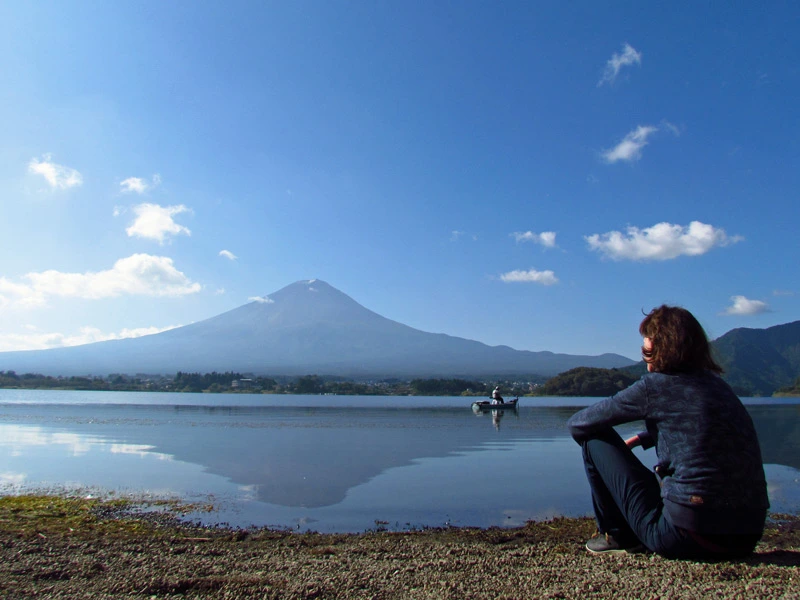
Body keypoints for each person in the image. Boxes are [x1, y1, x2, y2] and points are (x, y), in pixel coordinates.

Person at [567, 305, 769, 559]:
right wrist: (645, 437)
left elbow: (578, 423)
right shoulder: (719, 386)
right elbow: (705, 425)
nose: (645, 360)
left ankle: (617, 535)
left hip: (688, 537)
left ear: (661, 349)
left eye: (646, 352)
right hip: (747, 536)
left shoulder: (656, 386)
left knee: (593, 437)